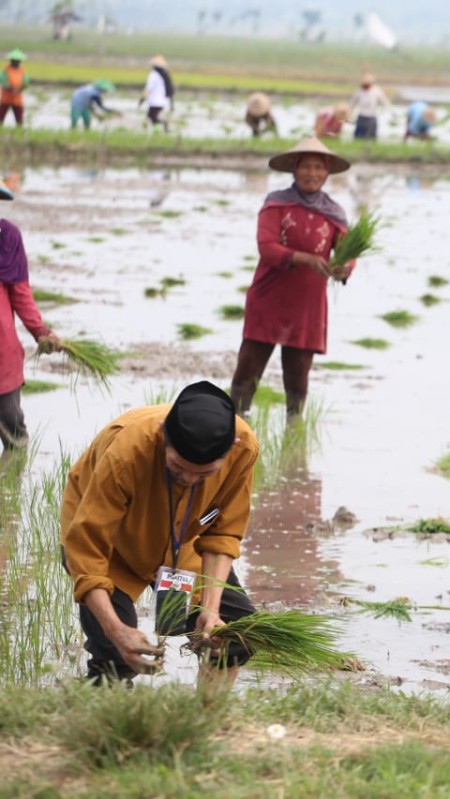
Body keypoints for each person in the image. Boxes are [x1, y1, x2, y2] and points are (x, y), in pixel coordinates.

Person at [60, 381, 261, 687]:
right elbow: (87, 554)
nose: (191, 480)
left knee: (235, 635)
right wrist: (116, 631)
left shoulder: (243, 448)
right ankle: (101, 725)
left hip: (184, 546)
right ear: (162, 436)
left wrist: (210, 610)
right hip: (112, 547)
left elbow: (223, 535)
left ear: (231, 447)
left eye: (205, 474)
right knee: (114, 655)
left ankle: (205, 722)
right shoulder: (126, 453)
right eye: (177, 469)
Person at [230, 138, 355, 419]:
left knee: (298, 375)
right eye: (306, 167)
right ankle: (234, 423)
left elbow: (348, 254)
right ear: (295, 170)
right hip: (269, 298)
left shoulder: (334, 214)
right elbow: (267, 246)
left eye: (318, 168)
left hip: (307, 304)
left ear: (326, 173)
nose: (312, 173)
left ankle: (294, 430)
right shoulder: (276, 204)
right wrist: (305, 258)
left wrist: (343, 268)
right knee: (248, 369)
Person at [0, 179, 62, 449]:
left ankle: (12, 484)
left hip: (1, 350)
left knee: (11, 423)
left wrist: (41, 331)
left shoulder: (8, 237)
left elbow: (21, 293)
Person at [139, 54, 174, 132]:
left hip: (155, 101)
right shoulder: (164, 76)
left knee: (152, 116)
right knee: (152, 116)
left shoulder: (153, 75)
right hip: (163, 100)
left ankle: (161, 127)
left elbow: (148, 88)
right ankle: (158, 130)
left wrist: (142, 99)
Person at [350, 72, 388, 141]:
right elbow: (352, 104)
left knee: (371, 138)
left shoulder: (376, 91)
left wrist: (391, 111)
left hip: (371, 118)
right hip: (361, 117)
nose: (365, 87)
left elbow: (385, 102)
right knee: (358, 138)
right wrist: (348, 114)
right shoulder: (359, 91)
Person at [1, 49, 28, 128]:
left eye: (18, 61)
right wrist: (10, 88)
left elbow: (25, 82)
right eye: (14, 61)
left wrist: (19, 89)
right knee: (1, 116)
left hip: (17, 98)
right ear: (11, 61)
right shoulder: (6, 70)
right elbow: (3, 80)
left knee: (19, 118)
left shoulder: (22, 71)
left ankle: (19, 131)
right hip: (6, 97)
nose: (16, 62)